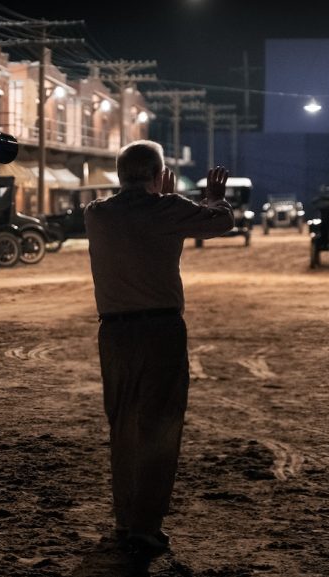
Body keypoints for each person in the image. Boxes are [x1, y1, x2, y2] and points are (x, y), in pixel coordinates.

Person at [84, 140, 232, 555]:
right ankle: (146, 525)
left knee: (124, 426)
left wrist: (163, 199)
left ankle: (126, 519)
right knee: (160, 427)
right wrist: (214, 199)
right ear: (157, 174)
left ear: (119, 174)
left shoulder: (96, 214)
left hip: (114, 334)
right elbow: (221, 222)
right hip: (162, 330)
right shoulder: (167, 210)